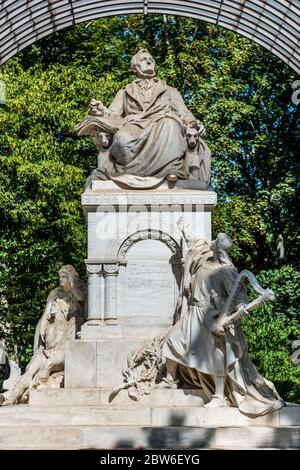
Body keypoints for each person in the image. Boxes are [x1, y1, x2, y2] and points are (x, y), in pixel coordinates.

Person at [161, 221, 284, 417]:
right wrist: (185, 230)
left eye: (216, 242)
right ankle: (169, 379)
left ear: (220, 247)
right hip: (193, 313)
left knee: (217, 356)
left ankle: (219, 396)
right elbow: (194, 243)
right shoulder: (203, 259)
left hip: (212, 317)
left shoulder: (226, 271)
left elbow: (238, 298)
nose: (212, 244)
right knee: (172, 340)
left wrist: (239, 310)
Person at [76, 49, 211, 185]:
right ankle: (126, 173)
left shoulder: (169, 90)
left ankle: (172, 169)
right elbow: (113, 116)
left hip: (161, 122)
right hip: (134, 126)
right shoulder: (124, 92)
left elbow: (184, 113)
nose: (149, 61)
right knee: (122, 138)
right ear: (135, 67)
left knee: (170, 125)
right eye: (144, 59)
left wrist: (195, 124)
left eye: (151, 60)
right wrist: (101, 110)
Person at [2, 265, 86, 405]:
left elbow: (80, 297)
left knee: (48, 364)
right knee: (32, 368)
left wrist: (72, 284)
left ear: (72, 277)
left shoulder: (80, 294)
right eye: (59, 276)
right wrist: (39, 346)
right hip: (51, 348)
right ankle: (12, 397)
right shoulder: (55, 294)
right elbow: (44, 319)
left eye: (64, 277)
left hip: (68, 349)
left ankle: (35, 388)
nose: (60, 279)